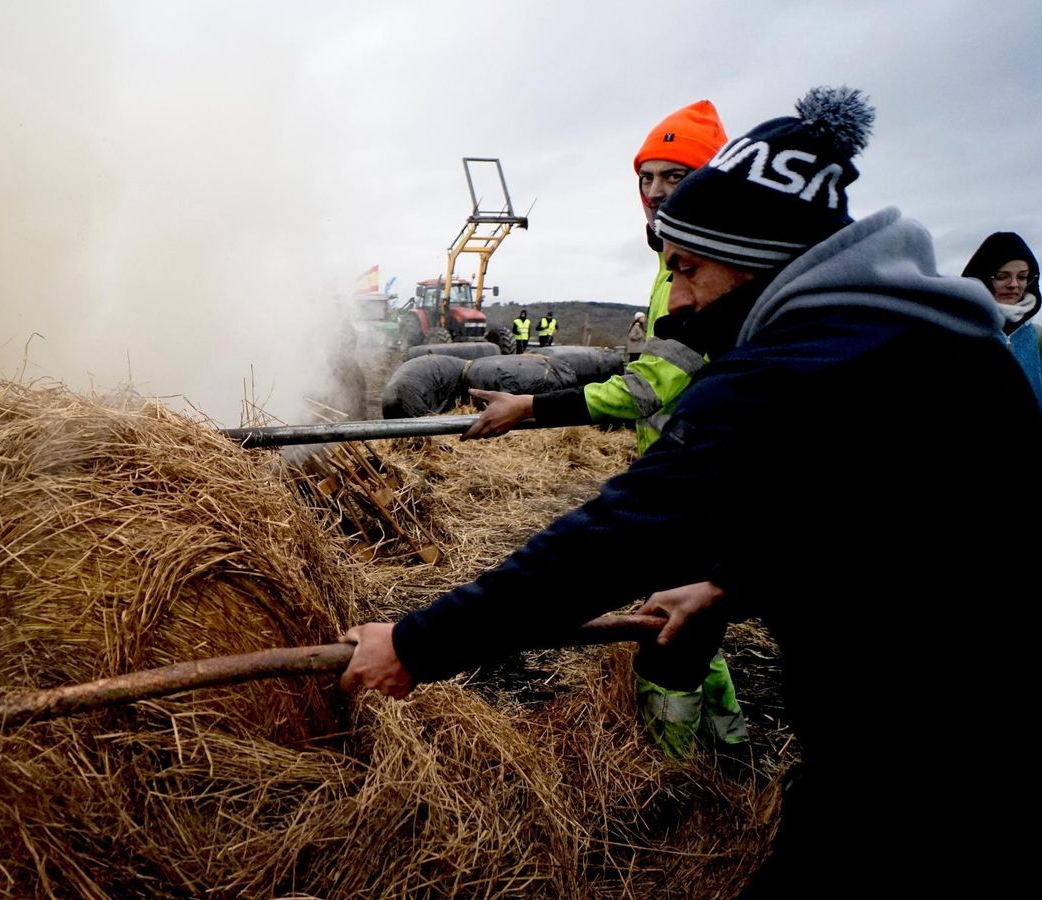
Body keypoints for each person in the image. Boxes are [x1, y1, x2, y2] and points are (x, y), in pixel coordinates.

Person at [341, 87, 1039, 892]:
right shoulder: (943, 347)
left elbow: (613, 538)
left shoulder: (782, 376)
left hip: (919, 763)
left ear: (754, 260)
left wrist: (416, 643)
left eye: (687, 268)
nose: (675, 299)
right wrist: (727, 584)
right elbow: (874, 522)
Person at [468, 99, 746, 758]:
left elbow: (651, 385)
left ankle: (672, 772)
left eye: (673, 177)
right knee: (692, 616)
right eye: (646, 178)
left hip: (698, 480)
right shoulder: (673, 263)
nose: (653, 192)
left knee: (665, 632)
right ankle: (732, 747)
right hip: (684, 469)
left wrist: (527, 409)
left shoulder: (709, 274)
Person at [962, 231, 1042, 407]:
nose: (1014, 284)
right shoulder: (957, 333)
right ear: (982, 276)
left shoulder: (1038, 336)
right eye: (1002, 276)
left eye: (1022, 277)